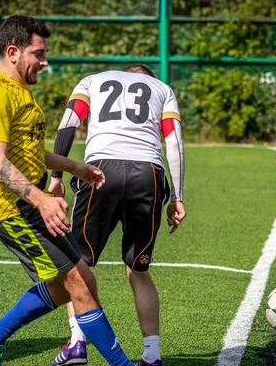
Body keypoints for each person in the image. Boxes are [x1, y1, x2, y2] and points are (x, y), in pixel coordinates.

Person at [0, 15, 135, 366]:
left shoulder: (17, 90)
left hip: (30, 203)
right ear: (13, 52)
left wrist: (74, 167)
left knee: (74, 281)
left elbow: (26, 149)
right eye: (38, 54)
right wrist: (41, 198)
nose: (45, 62)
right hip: (12, 208)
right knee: (80, 283)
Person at [47, 64, 187, 366]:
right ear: (147, 77)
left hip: (101, 168)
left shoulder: (92, 80)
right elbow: (173, 141)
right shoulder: (163, 89)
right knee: (138, 270)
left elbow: (69, 123)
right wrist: (177, 197)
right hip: (148, 173)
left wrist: (56, 175)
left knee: (76, 266)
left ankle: (77, 344)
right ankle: (152, 356)